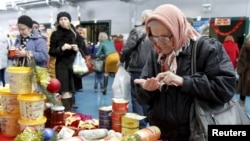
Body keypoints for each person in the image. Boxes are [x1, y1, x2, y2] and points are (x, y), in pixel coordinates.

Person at [134, 4, 236, 140]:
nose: (159, 44)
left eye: (165, 37)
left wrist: (184, 82)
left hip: (197, 133)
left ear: (177, 29)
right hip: (161, 133)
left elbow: (225, 88)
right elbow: (142, 99)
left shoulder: (205, 48)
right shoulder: (156, 55)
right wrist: (147, 89)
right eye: (154, 38)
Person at [119, 9, 153, 129]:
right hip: (154, 68)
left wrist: (121, 60)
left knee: (137, 96)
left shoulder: (138, 30)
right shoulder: (157, 31)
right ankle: (151, 122)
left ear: (143, 18)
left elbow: (127, 48)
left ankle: (141, 125)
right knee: (151, 95)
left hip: (138, 68)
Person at [49, 11, 90, 111]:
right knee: (64, 90)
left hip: (74, 66)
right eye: (61, 19)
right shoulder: (55, 34)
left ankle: (69, 113)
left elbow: (84, 50)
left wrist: (77, 49)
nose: (63, 21)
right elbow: (51, 52)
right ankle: (66, 113)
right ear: (58, 22)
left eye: (65, 19)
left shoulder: (75, 34)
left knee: (71, 90)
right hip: (61, 66)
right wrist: (61, 48)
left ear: (69, 21)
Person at [237, 38, 250, 109]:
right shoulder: (245, 47)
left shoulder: (245, 46)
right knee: (243, 91)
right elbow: (240, 60)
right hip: (245, 72)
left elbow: (240, 60)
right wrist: (241, 70)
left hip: (245, 72)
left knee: (243, 91)